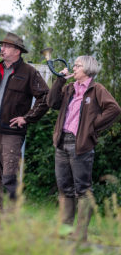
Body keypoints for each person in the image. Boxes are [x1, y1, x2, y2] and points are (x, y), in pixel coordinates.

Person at [0, 32, 50, 211]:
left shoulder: (29, 72)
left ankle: (11, 219)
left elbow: (45, 98)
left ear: (17, 51)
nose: (1, 49)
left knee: (9, 178)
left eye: (6, 46)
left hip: (12, 132)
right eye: (1, 46)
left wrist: (27, 118)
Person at [47, 55, 121, 242]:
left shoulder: (97, 89)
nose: (74, 67)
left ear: (87, 69)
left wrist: (92, 126)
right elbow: (51, 103)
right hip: (62, 142)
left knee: (83, 190)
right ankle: (65, 231)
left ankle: (80, 234)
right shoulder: (69, 88)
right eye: (75, 64)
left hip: (81, 145)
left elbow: (114, 109)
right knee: (64, 188)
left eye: (77, 65)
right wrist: (59, 80)